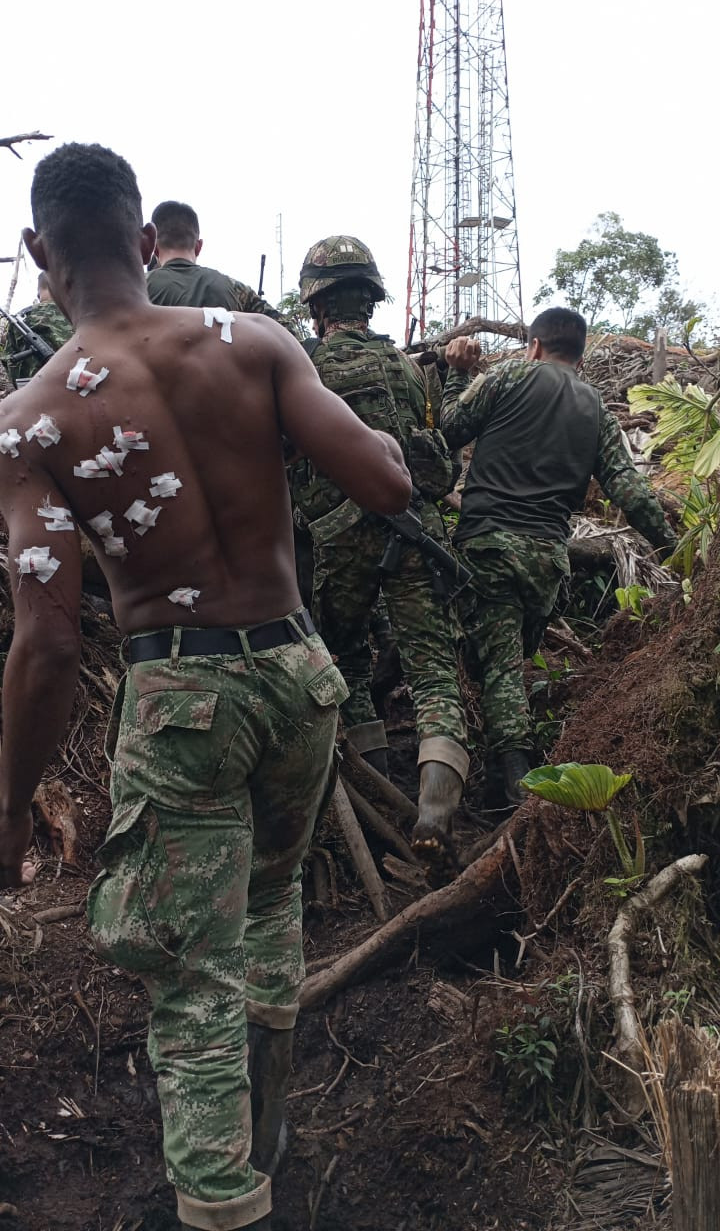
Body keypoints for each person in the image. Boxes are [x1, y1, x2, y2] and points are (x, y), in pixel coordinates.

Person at [0, 143, 411, 1231]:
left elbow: (44, 644)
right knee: (271, 902)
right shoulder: (257, 342)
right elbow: (384, 481)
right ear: (146, 240)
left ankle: (226, 1204)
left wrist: (10, 811)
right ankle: (269, 1133)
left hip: (183, 696)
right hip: (299, 672)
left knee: (190, 973)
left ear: (41, 253)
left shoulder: (31, 419)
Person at [440, 307, 677, 814]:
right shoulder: (596, 408)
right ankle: (495, 784)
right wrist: (675, 550)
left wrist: (454, 374)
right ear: (581, 356)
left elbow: (449, 430)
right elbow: (631, 492)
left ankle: (515, 794)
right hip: (549, 560)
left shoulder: (506, 377)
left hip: (490, 546)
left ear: (534, 346)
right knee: (506, 666)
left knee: (499, 670)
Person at [290, 235, 469, 881]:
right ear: (371, 299)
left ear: (317, 306)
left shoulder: (304, 368)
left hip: (340, 541)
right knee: (433, 676)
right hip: (413, 532)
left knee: (345, 663)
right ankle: (433, 809)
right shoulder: (409, 369)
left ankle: (370, 797)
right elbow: (440, 466)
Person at [146, 199, 294, 331]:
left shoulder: (136, 288)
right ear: (198, 246)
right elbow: (287, 330)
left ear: (154, 248)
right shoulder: (234, 289)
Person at [0, 270, 72, 388]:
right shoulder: (82, 315)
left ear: (39, 292)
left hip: (36, 396)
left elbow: (12, 366)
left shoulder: (21, 318)